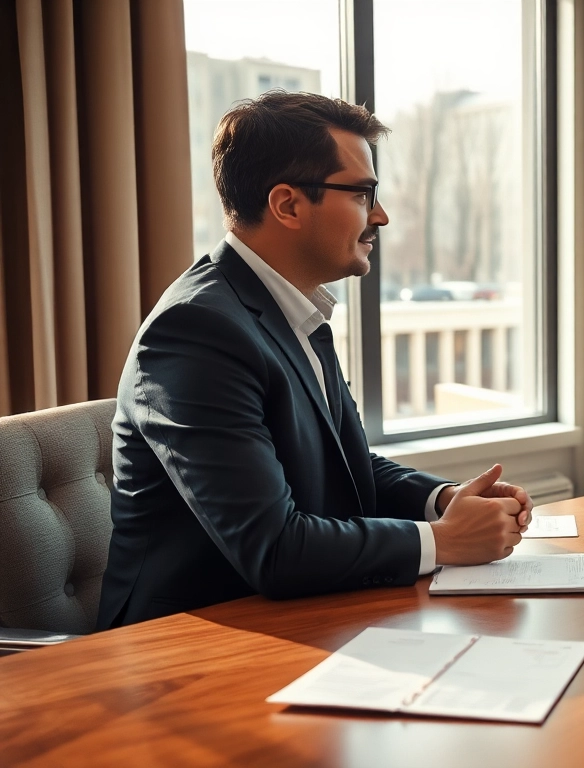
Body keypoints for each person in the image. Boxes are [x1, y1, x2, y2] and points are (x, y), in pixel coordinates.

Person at [97, 92, 531, 628]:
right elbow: (274, 549)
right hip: (191, 644)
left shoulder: (293, 309)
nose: (381, 215)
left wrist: (441, 501)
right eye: (363, 194)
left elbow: (346, 465)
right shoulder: (195, 331)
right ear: (287, 205)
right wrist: (443, 541)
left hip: (305, 616)